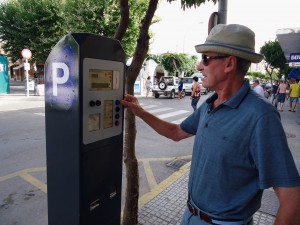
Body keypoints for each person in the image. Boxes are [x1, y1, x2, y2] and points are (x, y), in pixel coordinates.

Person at [121, 24, 300, 225]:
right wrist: (140, 111)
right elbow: (176, 132)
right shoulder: (209, 104)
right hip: (190, 215)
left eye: (206, 58)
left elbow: (292, 199)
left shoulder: (261, 116)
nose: (199, 66)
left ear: (229, 64)